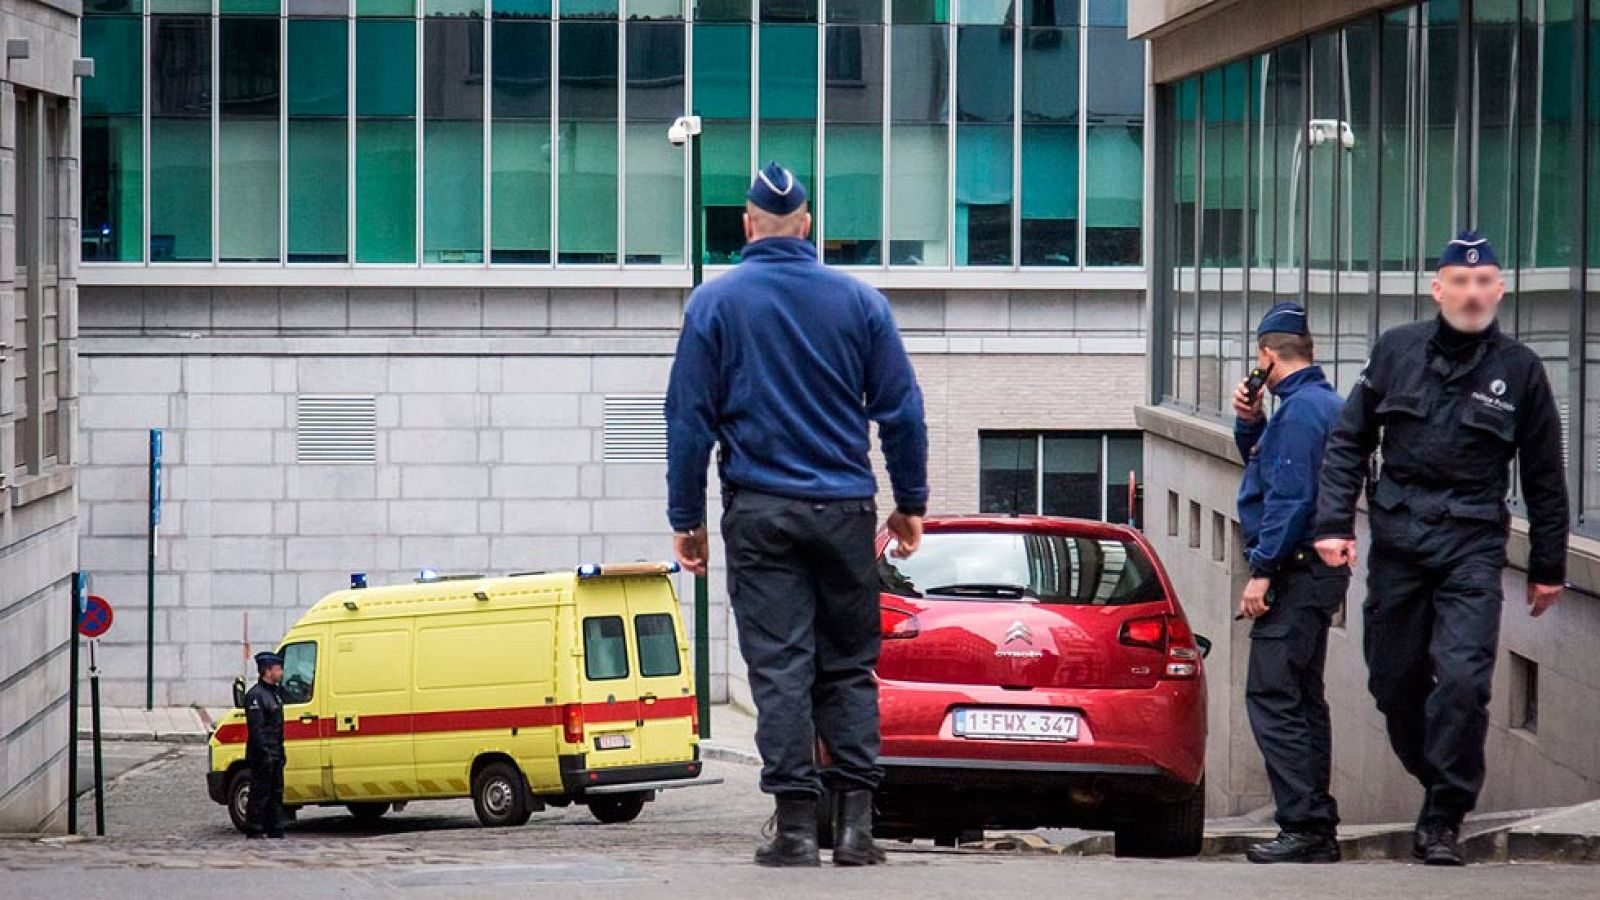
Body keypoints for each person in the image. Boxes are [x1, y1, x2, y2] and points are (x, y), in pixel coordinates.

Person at [665, 161, 929, 868]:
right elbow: (902, 411)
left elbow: (688, 421)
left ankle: (791, 828)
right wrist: (911, 504)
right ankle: (856, 829)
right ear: (807, 226)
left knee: (781, 670)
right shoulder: (860, 303)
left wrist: (685, 518)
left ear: (746, 226)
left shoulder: (714, 306)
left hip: (761, 513)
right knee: (847, 668)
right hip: (845, 510)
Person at [1314, 230, 1569, 866]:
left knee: (1462, 680)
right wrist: (1334, 526)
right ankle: (1438, 776)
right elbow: (1349, 441)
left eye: (1484, 283)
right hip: (1399, 541)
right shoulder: (1395, 351)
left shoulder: (1520, 371)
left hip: (1474, 545)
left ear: (1500, 289)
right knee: (1392, 682)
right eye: (1461, 281)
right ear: (1439, 288)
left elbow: (1544, 474)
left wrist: (1548, 567)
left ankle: (1444, 816)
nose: (1473, 293)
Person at [1232, 302, 1350, 865]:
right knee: (1304, 700)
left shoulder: (1301, 413)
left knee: (1274, 697)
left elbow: (1290, 497)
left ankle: (1303, 825)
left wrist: (1262, 571)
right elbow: (1264, 469)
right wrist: (1249, 421)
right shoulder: (1319, 404)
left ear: (1266, 355)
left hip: (1296, 571)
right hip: (1315, 574)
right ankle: (1315, 827)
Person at [244, 650, 287, 839]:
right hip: (262, 754)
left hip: (275, 752)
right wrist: (265, 753)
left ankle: (275, 827)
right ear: (268, 671)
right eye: (279, 669)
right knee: (260, 792)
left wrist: (280, 751)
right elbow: (257, 729)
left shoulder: (274, 694)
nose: (282, 673)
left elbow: (278, 727)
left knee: (276, 793)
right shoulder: (256, 696)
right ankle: (254, 827)